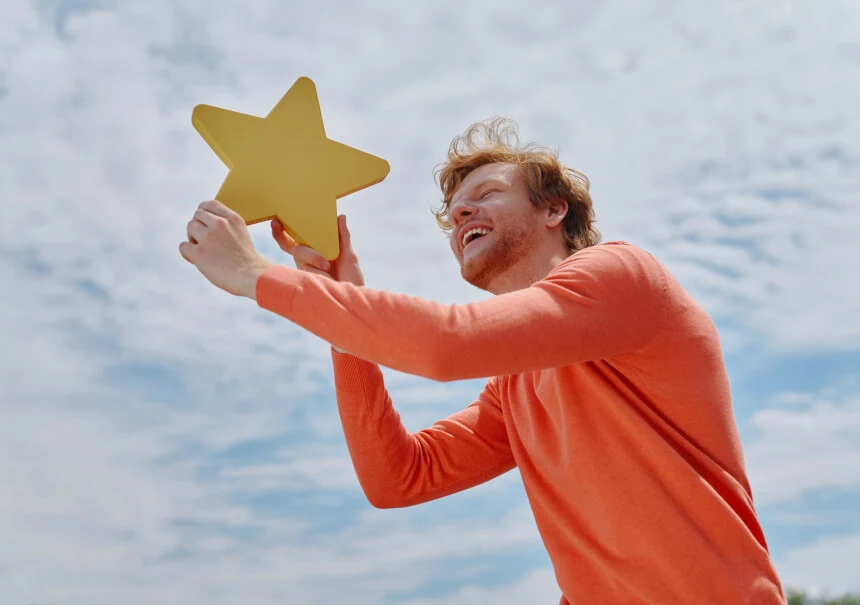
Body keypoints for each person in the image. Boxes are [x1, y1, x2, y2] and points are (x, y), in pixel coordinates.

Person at [179, 118, 787, 604]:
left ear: (554, 211)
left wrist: (255, 275)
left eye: (486, 195)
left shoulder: (622, 275)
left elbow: (447, 344)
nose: (461, 215)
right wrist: (344, 325)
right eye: (454, 214)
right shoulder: (516, 386)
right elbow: (397, 478)